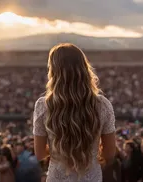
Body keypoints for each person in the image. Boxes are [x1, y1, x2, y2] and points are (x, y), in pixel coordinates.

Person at [33, 43, 116, 182]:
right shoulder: (102, 105)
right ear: (84, 69)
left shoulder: (43, 105)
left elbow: (40, 154)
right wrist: (88, 152)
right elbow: (110, 153)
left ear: (54, 71)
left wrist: (60, 151)